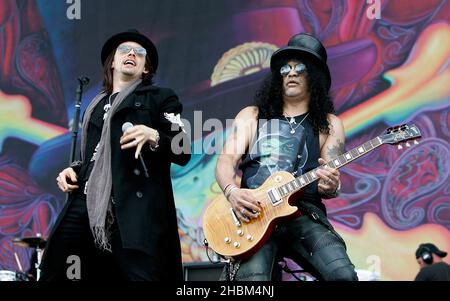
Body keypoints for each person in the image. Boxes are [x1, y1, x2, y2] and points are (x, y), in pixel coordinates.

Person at [39, 29, 191, 281]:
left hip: (130, 205)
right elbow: (95, 157)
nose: (132, 53)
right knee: (57, 269)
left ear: (145, 69)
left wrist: (153, 135)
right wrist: (74, 170)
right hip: (86, 202)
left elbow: (182, 148)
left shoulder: (161, 97)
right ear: (112, 62)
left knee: (138, 274)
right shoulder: (95, 105)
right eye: (125, 50)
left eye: (139, 53)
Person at [215, 33, 358, 281]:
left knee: (343, 276)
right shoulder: (251, 115)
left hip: (304, 212)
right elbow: (226, 161)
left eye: (300, 67)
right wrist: (232, 192)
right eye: (285, 68)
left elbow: (329, 182)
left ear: (313, 76)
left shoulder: (330, 124)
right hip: (253, 214)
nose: (291, 73)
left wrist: (331, 185)